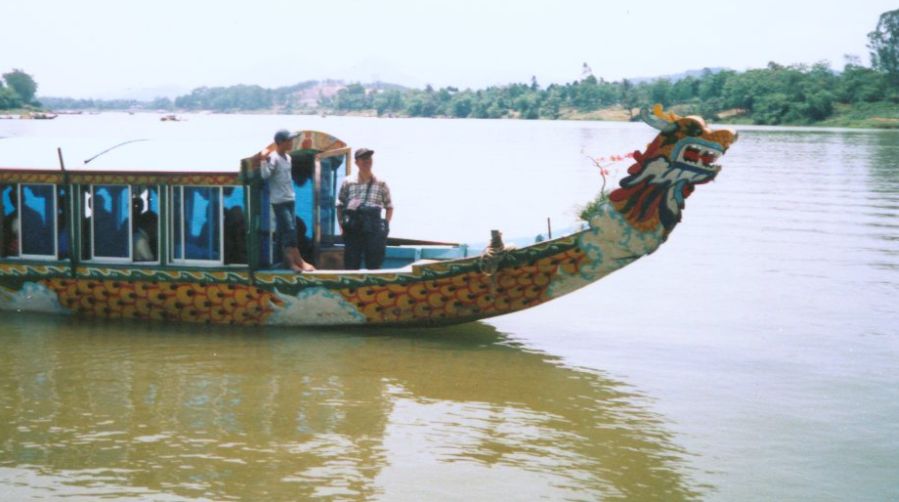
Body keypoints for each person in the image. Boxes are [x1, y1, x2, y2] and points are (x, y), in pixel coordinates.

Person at [254, 130, 315, 272]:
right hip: (279, 201)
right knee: (290, 230)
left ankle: (286, 261)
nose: (291, 142)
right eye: (289, 140)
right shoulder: (274, 158)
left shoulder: (288, 158)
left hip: (290, 198)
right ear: (280, 142)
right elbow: (265, 175)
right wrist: (263, 160)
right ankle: (295, 262)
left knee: (284, 232)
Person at [336, 148, 393, 269]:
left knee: (374, 261)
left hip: (373, 227)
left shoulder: (381, 183)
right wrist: (341, 225)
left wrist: (385, 226)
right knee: (351, 261)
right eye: (363, 158)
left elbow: (389, 206)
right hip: (353, 227)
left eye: (369, 158)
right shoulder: (348, 181)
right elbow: (340, 205)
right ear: (356, 162)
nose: (367, 161)